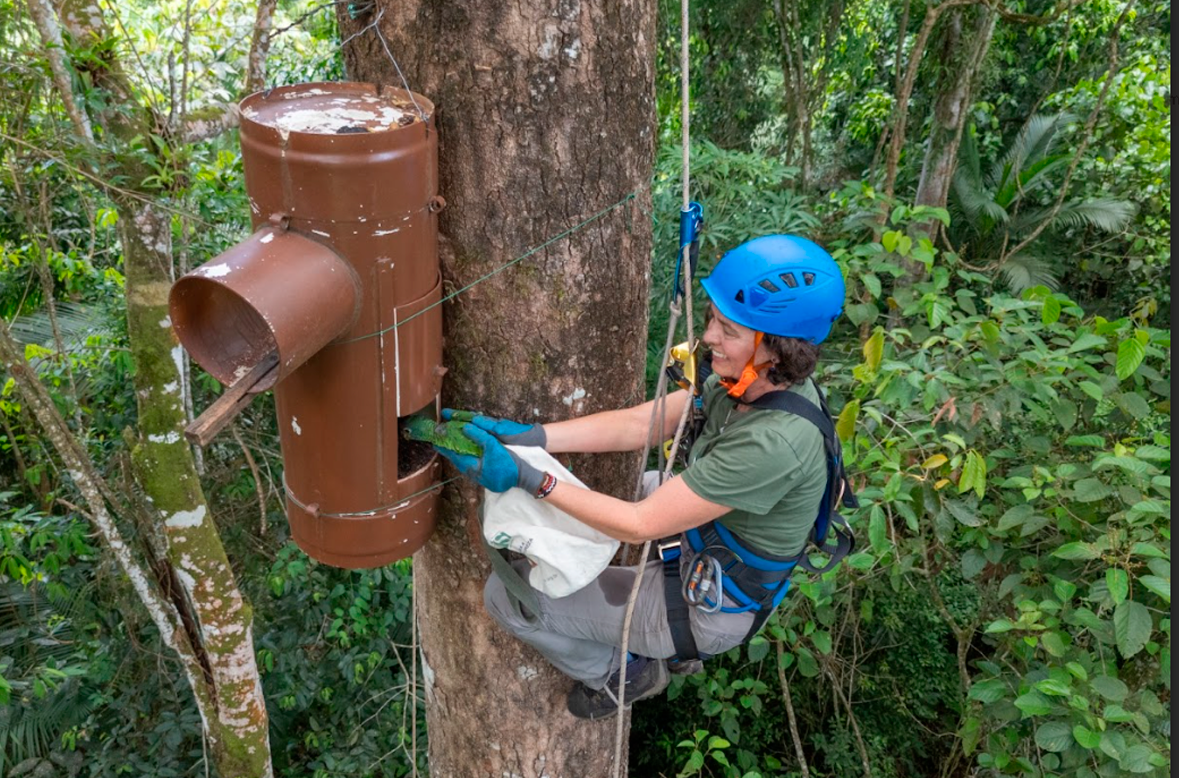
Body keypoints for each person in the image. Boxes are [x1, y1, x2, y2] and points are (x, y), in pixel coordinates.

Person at [433, 234, 848, 720]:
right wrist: (535, 438)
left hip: (708, 604)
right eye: (713, 319)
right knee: (603, 491)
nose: (710, 337)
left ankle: (619, 671)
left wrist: (529, 479)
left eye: (729, 329)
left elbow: (638, 524)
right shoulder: (749, 381)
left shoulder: (773, 442)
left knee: (506, 596)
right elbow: (642, 424)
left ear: (776, 351)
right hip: (709, 532)